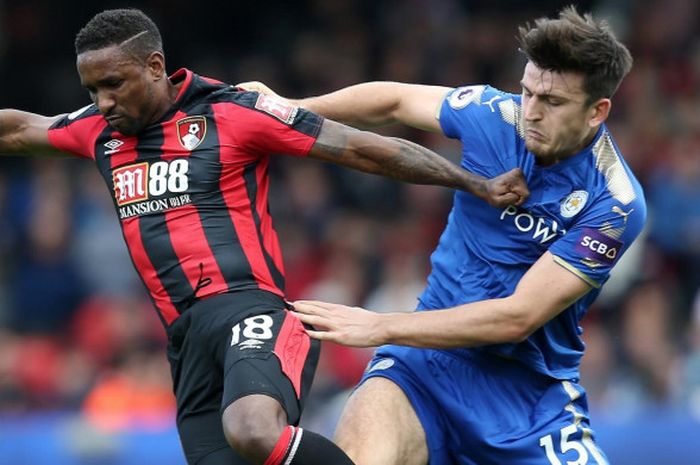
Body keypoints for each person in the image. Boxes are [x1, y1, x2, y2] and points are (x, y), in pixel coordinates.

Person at [0, 8, 528, 465]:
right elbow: (19, 129)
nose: (104, 101)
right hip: (186, 342)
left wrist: (472, 182)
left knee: (253, 428)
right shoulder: (97, 130)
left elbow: (364, 148)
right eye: (93, 89)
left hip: (253, 313)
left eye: (114, 84)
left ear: (155, 66)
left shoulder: (233, 113)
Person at [244, 6, 646, 465]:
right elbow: (393, 101)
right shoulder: (496, 114)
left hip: (526, 401)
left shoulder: (615, 202)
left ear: (598, 111)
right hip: (422, 369)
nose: (530, 112)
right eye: (528, 91)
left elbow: (517, 317)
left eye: (552, 103)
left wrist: (380, 325)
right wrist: (286, 111)